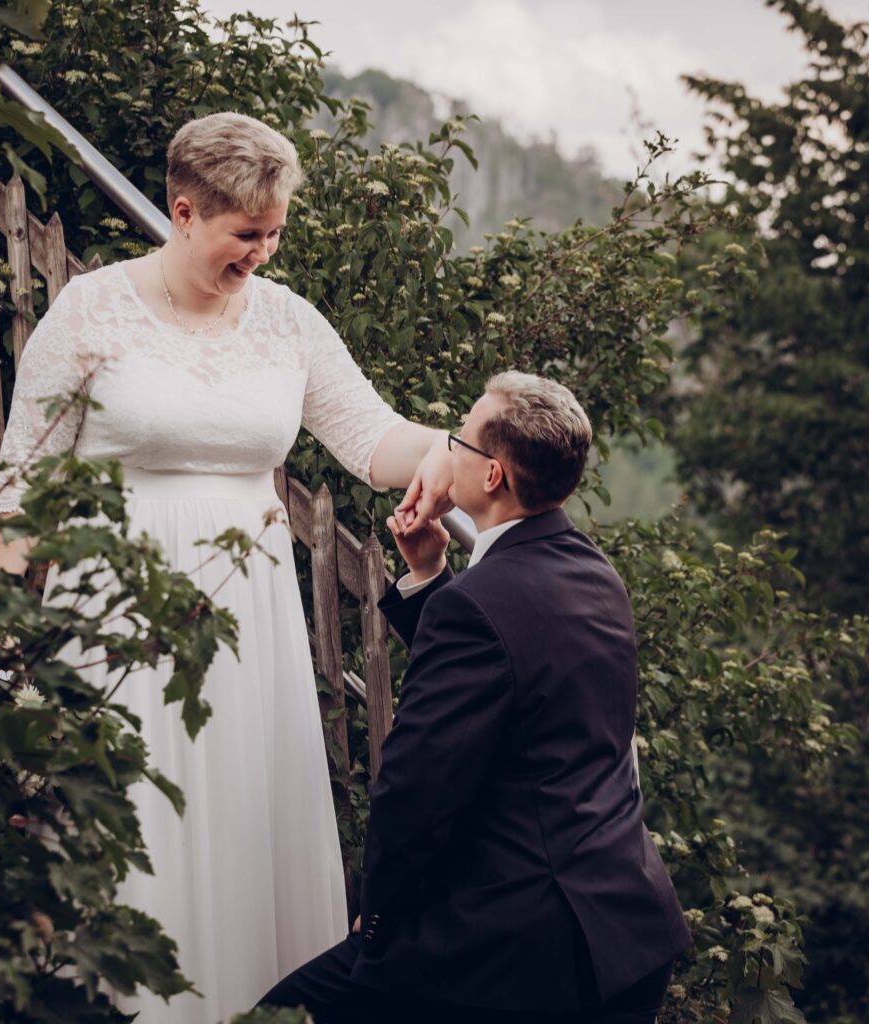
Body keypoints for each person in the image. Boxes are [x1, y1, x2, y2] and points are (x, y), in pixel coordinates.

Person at [0, 112, 453, 1023]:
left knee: (246, 831)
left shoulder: (286, 322)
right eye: (248, 234)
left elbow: (369, 436)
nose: (264, 253)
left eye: (276, 233)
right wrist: (0, 653)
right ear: (184, 210)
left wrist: (458, 447)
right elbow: (22, 484)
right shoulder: (92, 311)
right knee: (130, 835)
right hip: (119, 611)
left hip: (250, 630)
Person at [262, 371, 693, 1023]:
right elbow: (516, 675)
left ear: (492, 476)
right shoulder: (596, 575)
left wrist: (376, 925)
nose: (448, 450)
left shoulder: (478, 606)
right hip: (628, 936)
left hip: (515, 951)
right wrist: (430, 576)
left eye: (458, 440)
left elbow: (413, 792)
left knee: (278, 1014)